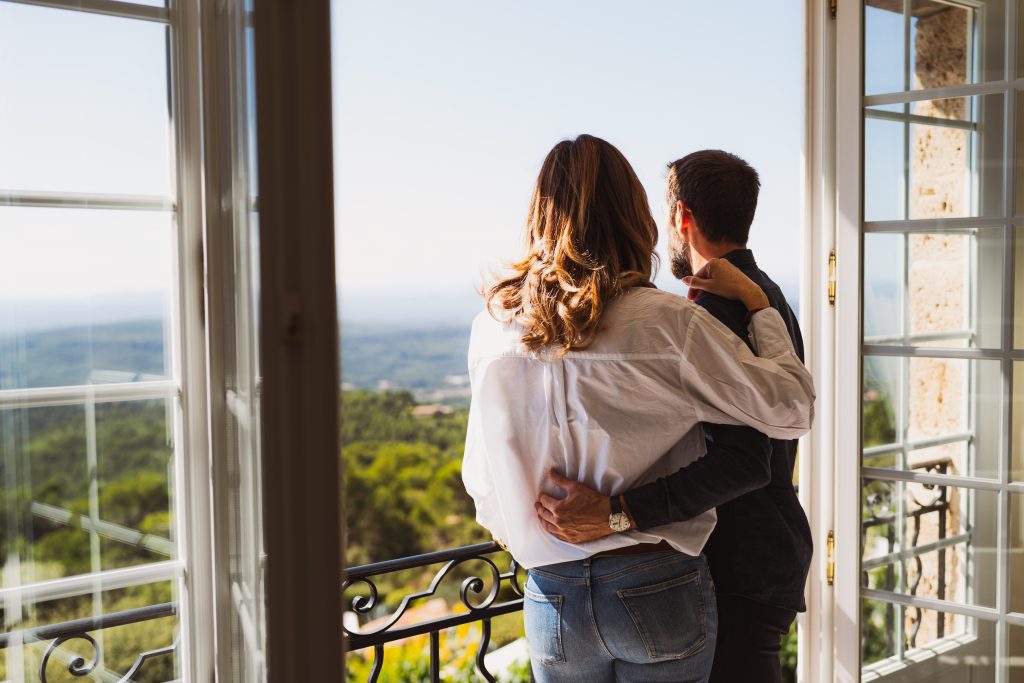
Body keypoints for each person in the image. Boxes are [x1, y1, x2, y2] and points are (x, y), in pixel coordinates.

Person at [462, 135, 814, 683]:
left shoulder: (492, 328)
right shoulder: (667, 321)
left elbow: (481, 482)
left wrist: (538, 535)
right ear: (635, 214)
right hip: (654, 580)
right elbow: (791, 409)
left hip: (552, 594)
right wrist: (760, 306)